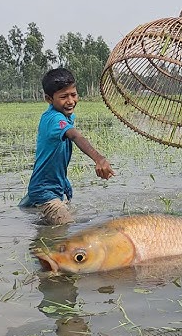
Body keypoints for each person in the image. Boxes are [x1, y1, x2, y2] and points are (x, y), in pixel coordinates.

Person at [19, 67, 114, 224]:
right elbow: (75, 136)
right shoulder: (54, 119)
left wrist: (64, 183)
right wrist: (99, 158)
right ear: (49, 99)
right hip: (44, 190)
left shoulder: (65, 116)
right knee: (67, 230)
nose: (70, 101)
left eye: (73, 94)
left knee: (49, 228)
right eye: (63, 97)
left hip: (55, 186)